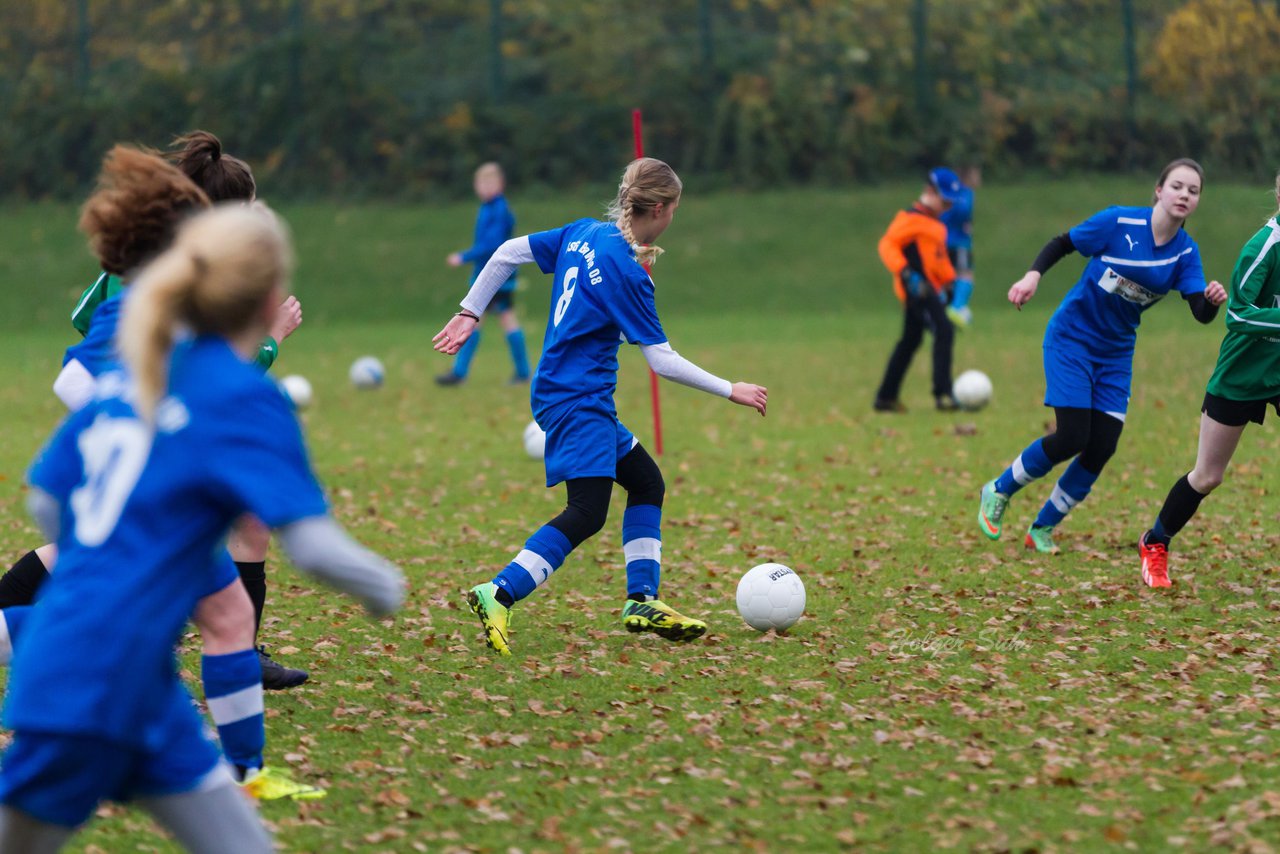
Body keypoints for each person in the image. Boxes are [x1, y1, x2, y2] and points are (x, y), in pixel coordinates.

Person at [0, 205, 404, 853]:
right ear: (270, 298)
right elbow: (314, 547)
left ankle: (245, 767)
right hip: (89, 692)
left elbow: (48, 501)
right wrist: (385, 585)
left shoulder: (138, 371)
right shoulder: (241, 393)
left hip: (145, 691)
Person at [0, 146, 315, 800]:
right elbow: (96, 373)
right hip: (150, 484)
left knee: (170, 594)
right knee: (145, 606)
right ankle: (230, 759)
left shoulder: (160, 269)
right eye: (249, 212)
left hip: (144, 479)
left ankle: (226, 748)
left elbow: (94, 324)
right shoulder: (174, 284)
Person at [432, 157, 768, 656]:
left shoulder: (585, 232)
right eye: (674, 209)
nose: (674, 217)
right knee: (587, 511)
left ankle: (642, 601)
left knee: (645, 482)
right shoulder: (626, 271)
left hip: (567, 391)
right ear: (659, 207)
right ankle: (498, 592)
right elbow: (661, 361)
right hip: (577, 399)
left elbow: (505, 253)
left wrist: (469, 312)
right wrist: (730, 388)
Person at [977, 158, 1227, 554]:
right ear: (1159, 191)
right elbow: (1062, 243)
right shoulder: (1118, 223)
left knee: (1102, 445)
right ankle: (998, 488)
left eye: (1193, 191)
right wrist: (1032, 275)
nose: (1184, 195)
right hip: (1072, 339)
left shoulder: (1185, 253)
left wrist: (1212, 301)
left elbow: (1200, 312)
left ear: (1197, 202)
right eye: (1177, 186)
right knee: (1072, 435)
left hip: (1115, 353)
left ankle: (1042, 527)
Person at [1137, 171, 1280, 587]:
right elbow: (1238, 315)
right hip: (1243, 373)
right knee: (1208, 475)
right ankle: (1155, 541)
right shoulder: (1266, 244)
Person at [873, 167, 964, 413]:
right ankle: (943, 393)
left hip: (931, 290)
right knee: (944, 330)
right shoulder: (909, 219)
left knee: (910, 341)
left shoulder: (936, 225)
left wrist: (949, 281)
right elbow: (887, 245)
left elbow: (938, 258)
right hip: (917, 292)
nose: (946, 207)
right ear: (929, 192)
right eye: (944, 200)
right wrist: (905, 272)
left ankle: (885, 397)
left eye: (950, 203)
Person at [437, 162, 531, 386]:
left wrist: (464, 256)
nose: (484, 187)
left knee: (488, 318)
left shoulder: (500, 209)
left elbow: (493, 245)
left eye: (489, 183)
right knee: (479, 319)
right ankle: (462, 372)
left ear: (500, 184)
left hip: (497, 276)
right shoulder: (486, 208)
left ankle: (519, 372)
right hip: (486, 274)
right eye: (480, 183)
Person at [941, 165, 979, 328]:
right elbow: (963, 212)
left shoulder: (948, 193)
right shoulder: (966, 193)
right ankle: (956, 308)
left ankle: (943, 311)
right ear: (969, 176)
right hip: (959, 242)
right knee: (965, 275)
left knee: (947, 277)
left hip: (943, 241)